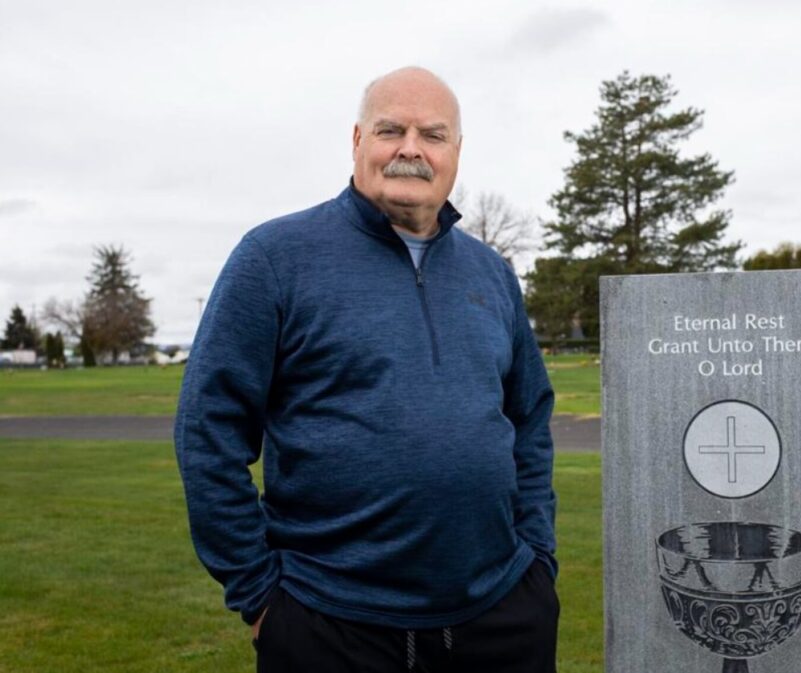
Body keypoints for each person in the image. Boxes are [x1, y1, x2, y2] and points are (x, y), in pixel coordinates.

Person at [174, 66, 559, 672]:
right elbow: (208, 431)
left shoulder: (492, 273)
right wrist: (260, 597)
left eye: (433, 134)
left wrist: (538, 557)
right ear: (357, 142)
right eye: (390, 130)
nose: (411, 149)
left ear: (456, 152)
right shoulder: (273, 258)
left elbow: (529, 418)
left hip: (502, 615)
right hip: (330, 626)